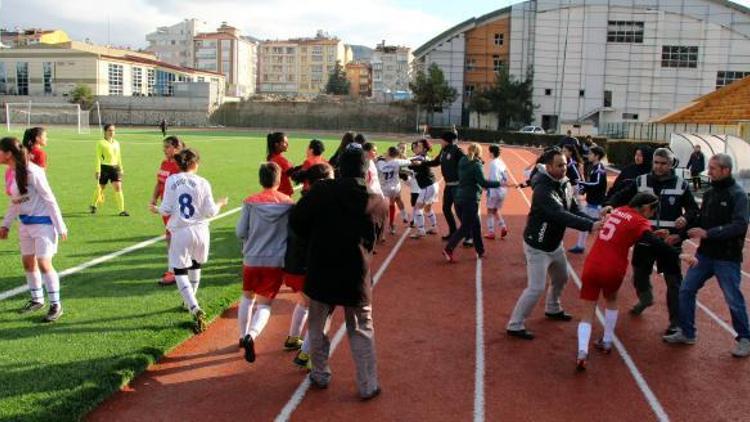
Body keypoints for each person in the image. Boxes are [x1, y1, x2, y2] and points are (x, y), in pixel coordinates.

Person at [290, 147, 387, 400]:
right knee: (362, 329)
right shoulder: (378, 202)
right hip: (357, 274)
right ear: (367, 173)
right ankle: (368, 384)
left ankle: (320, 374)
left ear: (340, 168)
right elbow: (375, 239)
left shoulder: (323, 190)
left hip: (321, 270)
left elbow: (297, 221)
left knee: (318, 325)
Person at [506, 148, 601, 340]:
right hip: (537, 246)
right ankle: (515, 324)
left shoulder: (565, 183)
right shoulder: (543, 190)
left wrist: (594, 221)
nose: (564, 168)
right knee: (536, 287)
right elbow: (560, 215)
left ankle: (553, 308)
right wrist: (591, 225)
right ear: (548, 167)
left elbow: (573, 209)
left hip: (554, 244)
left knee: (561, 277)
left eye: (565, 164)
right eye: (559, 165)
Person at [664, 154, 750, 358]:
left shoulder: (738, 195)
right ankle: (687, 332)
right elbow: (702, 220)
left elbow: (739, 226)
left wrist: (708, 234)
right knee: (686, 290)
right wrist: (680, 236)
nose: (708, 172)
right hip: (705, 255)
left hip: (727, 258)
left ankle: (745, 338)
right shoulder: (710, 193)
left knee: (733, 299)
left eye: (712, 168)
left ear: (725, 170)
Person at [605, 148, 699, 335]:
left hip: (669, 240)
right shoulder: (642, 181)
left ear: (671, 164)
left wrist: (686, 218)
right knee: (639, 276)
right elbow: (622, 195)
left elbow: (693, 209)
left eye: (663, 163)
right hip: (644, 237)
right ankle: (646, 298)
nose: (658, 166)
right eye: (656, 162)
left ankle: (675, 322)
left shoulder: (681, 185)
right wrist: (610, 204)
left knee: (674, 283)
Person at [575, 192, 674, 371]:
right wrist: (678, 254)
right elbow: (650, 241)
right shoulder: (641, 221)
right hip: (614, 267)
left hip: (593, 263)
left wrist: (651, 234)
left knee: (587, 311)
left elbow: (627, 232)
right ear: (645, 207)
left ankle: (582, 351)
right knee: (611, 300)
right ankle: (606, 341)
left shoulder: (618, 211)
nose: (652, 215)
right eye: (653, 211)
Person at [151, 148, 228, 333]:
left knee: (179, 270)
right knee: (195, 266)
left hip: (181, 231)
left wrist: (156, 209)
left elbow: (167, 208)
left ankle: (194, 307)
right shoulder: (203, 182)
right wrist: (220, 203)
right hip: (201, 231)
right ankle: (190, 302)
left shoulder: (172, 180)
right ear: (195, 164)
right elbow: (210, 212)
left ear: (179, 164)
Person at [0, 137, 67, 322]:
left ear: (8, 154)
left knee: (44, 263)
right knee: (28, 263)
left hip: (43, 224)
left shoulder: (33, 171)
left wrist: (60, 225)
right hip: (25, 225)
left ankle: (56, 304)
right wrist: (5, 224)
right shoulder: (13, 172)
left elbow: (49, 198)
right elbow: (16, 202)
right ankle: (37, 299)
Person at [235, 162, 295, 363]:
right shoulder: (288, 203)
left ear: (261, 179)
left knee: (246, 297)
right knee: (264, 305)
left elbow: (240, 232)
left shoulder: (250, 202)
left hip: (251, 258)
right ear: (279, 180)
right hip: (275, 260)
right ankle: (253, 334)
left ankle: (243, 336)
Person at [286, 163, 335, 370]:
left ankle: (293, 338)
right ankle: (306, 353)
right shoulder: (320, 203)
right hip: (310, 266)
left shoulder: (305, 200)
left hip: (295, 265)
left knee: (307, 303)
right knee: (324, 311)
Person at [442, 143, 501, 261]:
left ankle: (480, 251)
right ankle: (448, 248)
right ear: (479, 153)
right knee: (466, 227)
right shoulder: (476, 165)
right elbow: (483, 182)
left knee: (476, 226)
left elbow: (470, 177)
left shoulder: (462, 161)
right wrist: (500, 183)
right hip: (470, 199)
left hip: (459, 197)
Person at [150, 136, 185, 286]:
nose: (165, 150)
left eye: (168, 147)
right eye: (164, 147)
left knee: (173, 238)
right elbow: (159, 182)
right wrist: (153, 198)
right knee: (170, 237)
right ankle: (176, 268)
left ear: (177, 148)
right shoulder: (164, 163)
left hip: (175, 209)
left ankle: (174, 271)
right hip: (165, 207)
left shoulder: (180, 166)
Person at [422, 131, 466, 241]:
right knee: (446, 209)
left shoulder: (457, 150)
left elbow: (467, 161)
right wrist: (422, 163)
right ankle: (453, 231)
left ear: (445, 140)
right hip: (448, 186)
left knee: (459, 210)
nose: (440, 142)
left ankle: (468, 235)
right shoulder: (443, 151)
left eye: (441, 140)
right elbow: (436, 162)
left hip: (457, 186)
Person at [570, 146, 608, 254]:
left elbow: (596, 183)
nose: (588, 156)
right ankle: (580, 246)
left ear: (597, 156)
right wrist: (583, 189)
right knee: (585, 224)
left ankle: (602, 251)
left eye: (591, 154)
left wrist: (582, 183)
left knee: (598, 228)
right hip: (591, 203)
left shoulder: (599, 169)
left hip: (596, 205)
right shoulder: (593, 167)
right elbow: (590, 184)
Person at [90, 124, 129, 216]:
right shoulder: (100, 143)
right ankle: (93, 205)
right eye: (110, 130)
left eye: (113, 130)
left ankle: (121, 210)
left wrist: (121, 168)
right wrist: (98, 170)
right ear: (105, 131)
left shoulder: (117, 143)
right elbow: (98, 157)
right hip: (104, 168)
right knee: (101, 188)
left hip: (115, 168)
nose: (112, 132)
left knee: (118, 187)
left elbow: (118, 157)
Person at [408, 139, 440, 239]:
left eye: (418, 146)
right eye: (415, 146)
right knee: (427, 208)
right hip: (432, 185)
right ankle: (434, 227)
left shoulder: (420, 158)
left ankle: (421, 231)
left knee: (418, 207)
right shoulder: (421, 157)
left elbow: (410, 163)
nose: (415, 148)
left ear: (424, 149)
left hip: (427, 187)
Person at [377, 146, 411, 234]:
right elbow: (409, 162)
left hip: (384, 188)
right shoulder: (397, 162)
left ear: (388, 153)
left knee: (383, 207)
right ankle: (400, 219)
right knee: (397, 200)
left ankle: (382, 229)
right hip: (395, 187)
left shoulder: (380, 162)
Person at [484, 144, 511, 240]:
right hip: (503, 191)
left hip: (495, 191)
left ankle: (491, 232)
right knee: (496, 210)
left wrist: (486, 186)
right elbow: (506, 177)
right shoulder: (501, 162)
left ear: (492, 153)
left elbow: (494, 179)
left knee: (490, 211)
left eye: (489, 151)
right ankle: (503, 227)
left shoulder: (493, 163)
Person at [267, 132, 295, 197]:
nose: (287, 144)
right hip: (283, 195)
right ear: (276, 144)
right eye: (285, 142)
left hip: (276, 194)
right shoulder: (280, 159)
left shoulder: (271, 157)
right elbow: (293, 174)